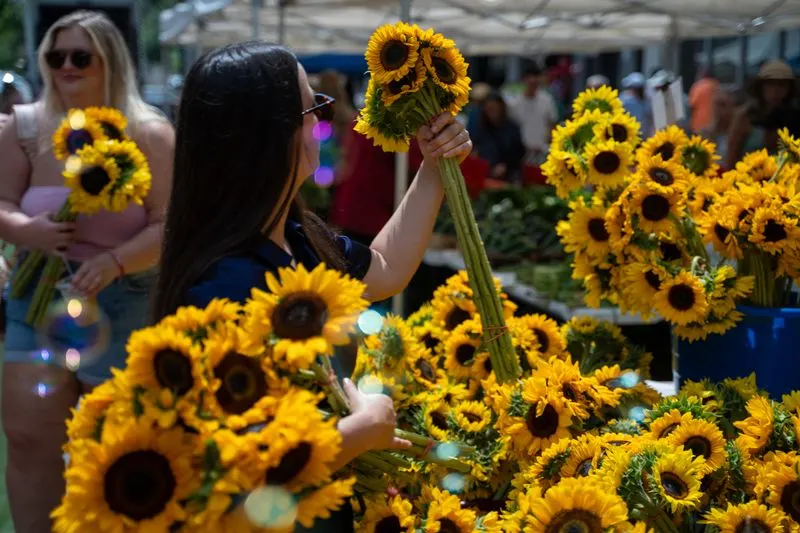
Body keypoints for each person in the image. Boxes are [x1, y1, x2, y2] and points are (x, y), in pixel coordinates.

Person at [152, 41, 473, 531]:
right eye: (314, 109)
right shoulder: (225, 288)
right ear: (273, 135)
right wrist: (362, 428)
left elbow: (383, 268)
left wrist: (433, 165)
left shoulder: (294, 239)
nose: (322, 124)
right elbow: (241, 473)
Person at [0, 11, 173, 532]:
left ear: (111, 62)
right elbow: (1, 202)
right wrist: (27, 231)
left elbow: (170, 225)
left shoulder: (149, 132)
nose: (66, 67)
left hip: (127, 303)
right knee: (30, 438)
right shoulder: (25, 128)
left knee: (119, 449)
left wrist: (115, 261)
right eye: (56, 57)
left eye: (81, 57)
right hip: (36, 296)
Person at [726, 59, 800, 169]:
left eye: (782, 85)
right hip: (748, 178)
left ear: (789, 89)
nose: (776, 90)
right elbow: (731, 157)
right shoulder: (745, 116)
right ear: (761, 87)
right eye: (770, 84)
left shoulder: (795, 117)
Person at [473, 91, 526, 184]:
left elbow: (519, 152)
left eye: (494, 108)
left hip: (508, 177)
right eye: (488, 108)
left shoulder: (512, 128)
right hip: (486, 176)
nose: (491, 112)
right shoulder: (481, 128)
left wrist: (505, 165)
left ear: (501, 108)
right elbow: (477, 148)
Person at [510, 66, 557, 165]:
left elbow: (552, 125)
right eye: (529, 77)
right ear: (524, 80)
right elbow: (512, 129)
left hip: (544, 152)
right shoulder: (515, 103)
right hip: (522, 153)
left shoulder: (547, 100)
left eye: (536, 77)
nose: (532, 80)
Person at [701, 85, 739, 164]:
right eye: (715, 104)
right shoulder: (705, 134)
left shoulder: (738, 135)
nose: (717, 109)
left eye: (722, 105)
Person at [620, 72, 653, 137]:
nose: (639, 90)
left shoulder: (647, 101)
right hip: (629, 135)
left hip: (644, 135)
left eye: (640, 88)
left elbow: (650, 118)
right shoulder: (624, 100)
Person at [689, 67, 719, 133]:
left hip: (699, 123)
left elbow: (692, 104)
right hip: (714, 124)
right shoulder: (717, 86)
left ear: (702, 75)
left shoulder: (698, 86)